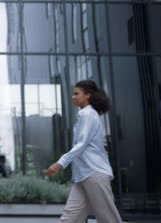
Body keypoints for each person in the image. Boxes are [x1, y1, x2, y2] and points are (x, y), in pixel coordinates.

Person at [45, 80, 122, 222]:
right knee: (69, 219)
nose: (73, 97)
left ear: (88, 95)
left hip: (94, 173)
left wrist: (60, 163)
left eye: (76, 94)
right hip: (82, 176)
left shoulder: (89, 114)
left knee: (108, 219)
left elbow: (82, 144)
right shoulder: (83, 115)